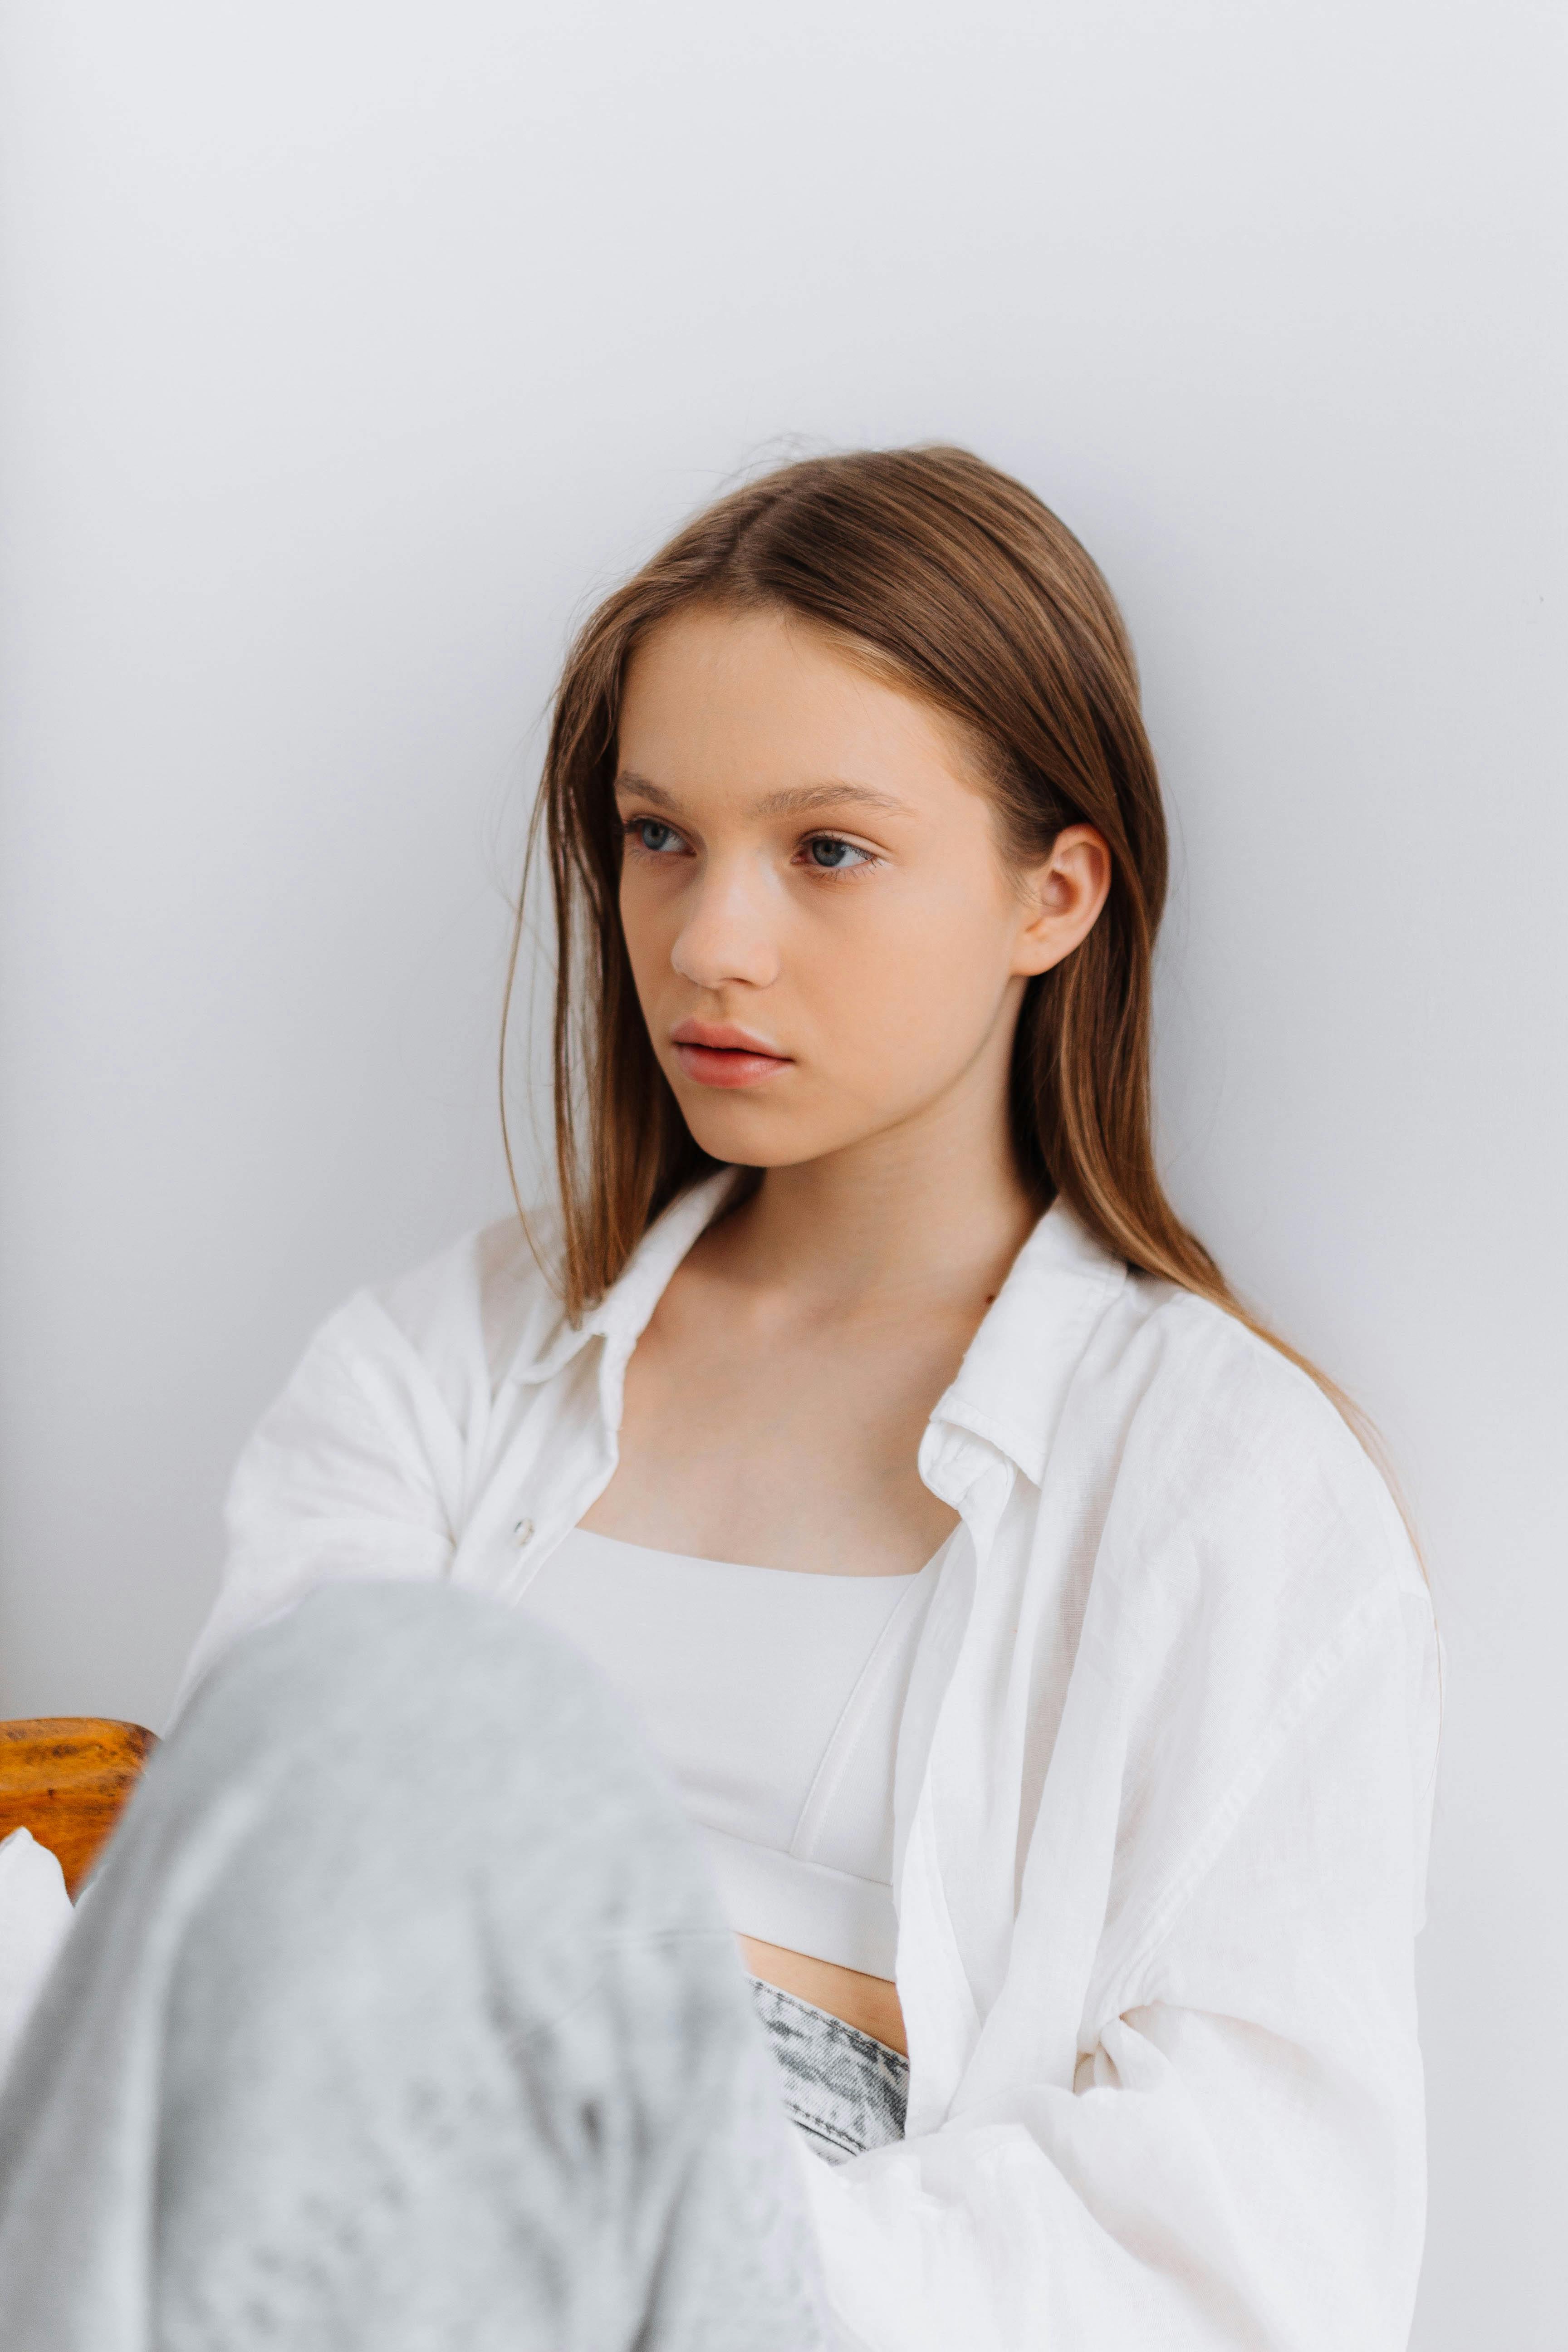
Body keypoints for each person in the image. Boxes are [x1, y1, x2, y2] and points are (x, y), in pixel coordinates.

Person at [0, 446, 1438, 2349]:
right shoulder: (446, 1362)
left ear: (1056, 894)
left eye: (827, 850)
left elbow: (1253, 2254)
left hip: (789, 2250)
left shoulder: (1224, 1486)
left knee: (387, 1701)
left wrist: (676, 2234)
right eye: (659, 835)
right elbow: (262, 1936)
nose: (705, 941)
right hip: (323, 2166)